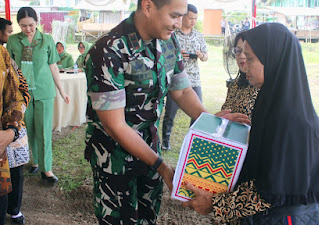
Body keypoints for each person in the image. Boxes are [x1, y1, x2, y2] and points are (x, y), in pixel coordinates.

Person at [84, 0, 248, 223]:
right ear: (149, 6)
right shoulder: (108, 50)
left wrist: (210, 121)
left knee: (147, 218)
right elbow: (116, 125)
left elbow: (181, 91)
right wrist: (161, 167)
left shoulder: (168, 43)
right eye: (174, 16)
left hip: (150, 154)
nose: (179, 24)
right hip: (115, 162)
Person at [182, 23, 319, 225]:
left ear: (274, 60)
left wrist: (216, 204)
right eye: (242, 56)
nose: (244, 65)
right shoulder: (271, 104)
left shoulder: (293, 122)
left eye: (251, 59)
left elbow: (270, 192)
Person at [7, 7, 70, 183]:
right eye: (23, 26)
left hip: (44, 91)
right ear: (18, 24)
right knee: (28, 130)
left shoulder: (47, 40)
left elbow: (53, 67)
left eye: (31, 25)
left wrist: (62, 91)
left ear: (37, 21)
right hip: (22, 93)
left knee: (43, 130)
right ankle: (34, 161)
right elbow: (10, 68)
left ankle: (46, 168)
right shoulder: (12, 41)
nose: (28, 29)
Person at [161, 3, 208, 151]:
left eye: (195, 18)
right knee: (170, 113)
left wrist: (201, 55)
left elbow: (206, 56)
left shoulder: (198, 35)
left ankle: (191, 141)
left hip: (194, 79)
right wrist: (178, 53)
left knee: (197, 112)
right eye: (190, 18)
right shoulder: (172, 34)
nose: (193, 21)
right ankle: (165, 141)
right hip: (176, 80)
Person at [0, 17, 30, 225]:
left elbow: (20, 92)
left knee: (16, 171)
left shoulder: (4, 56)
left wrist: (12, 128)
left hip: (9, 130)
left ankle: (15, 210)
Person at [221, 32, 259, 121]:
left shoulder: (261, 86)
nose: (242, 56)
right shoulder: (234, 85)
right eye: (238, 51)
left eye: (246, 52)